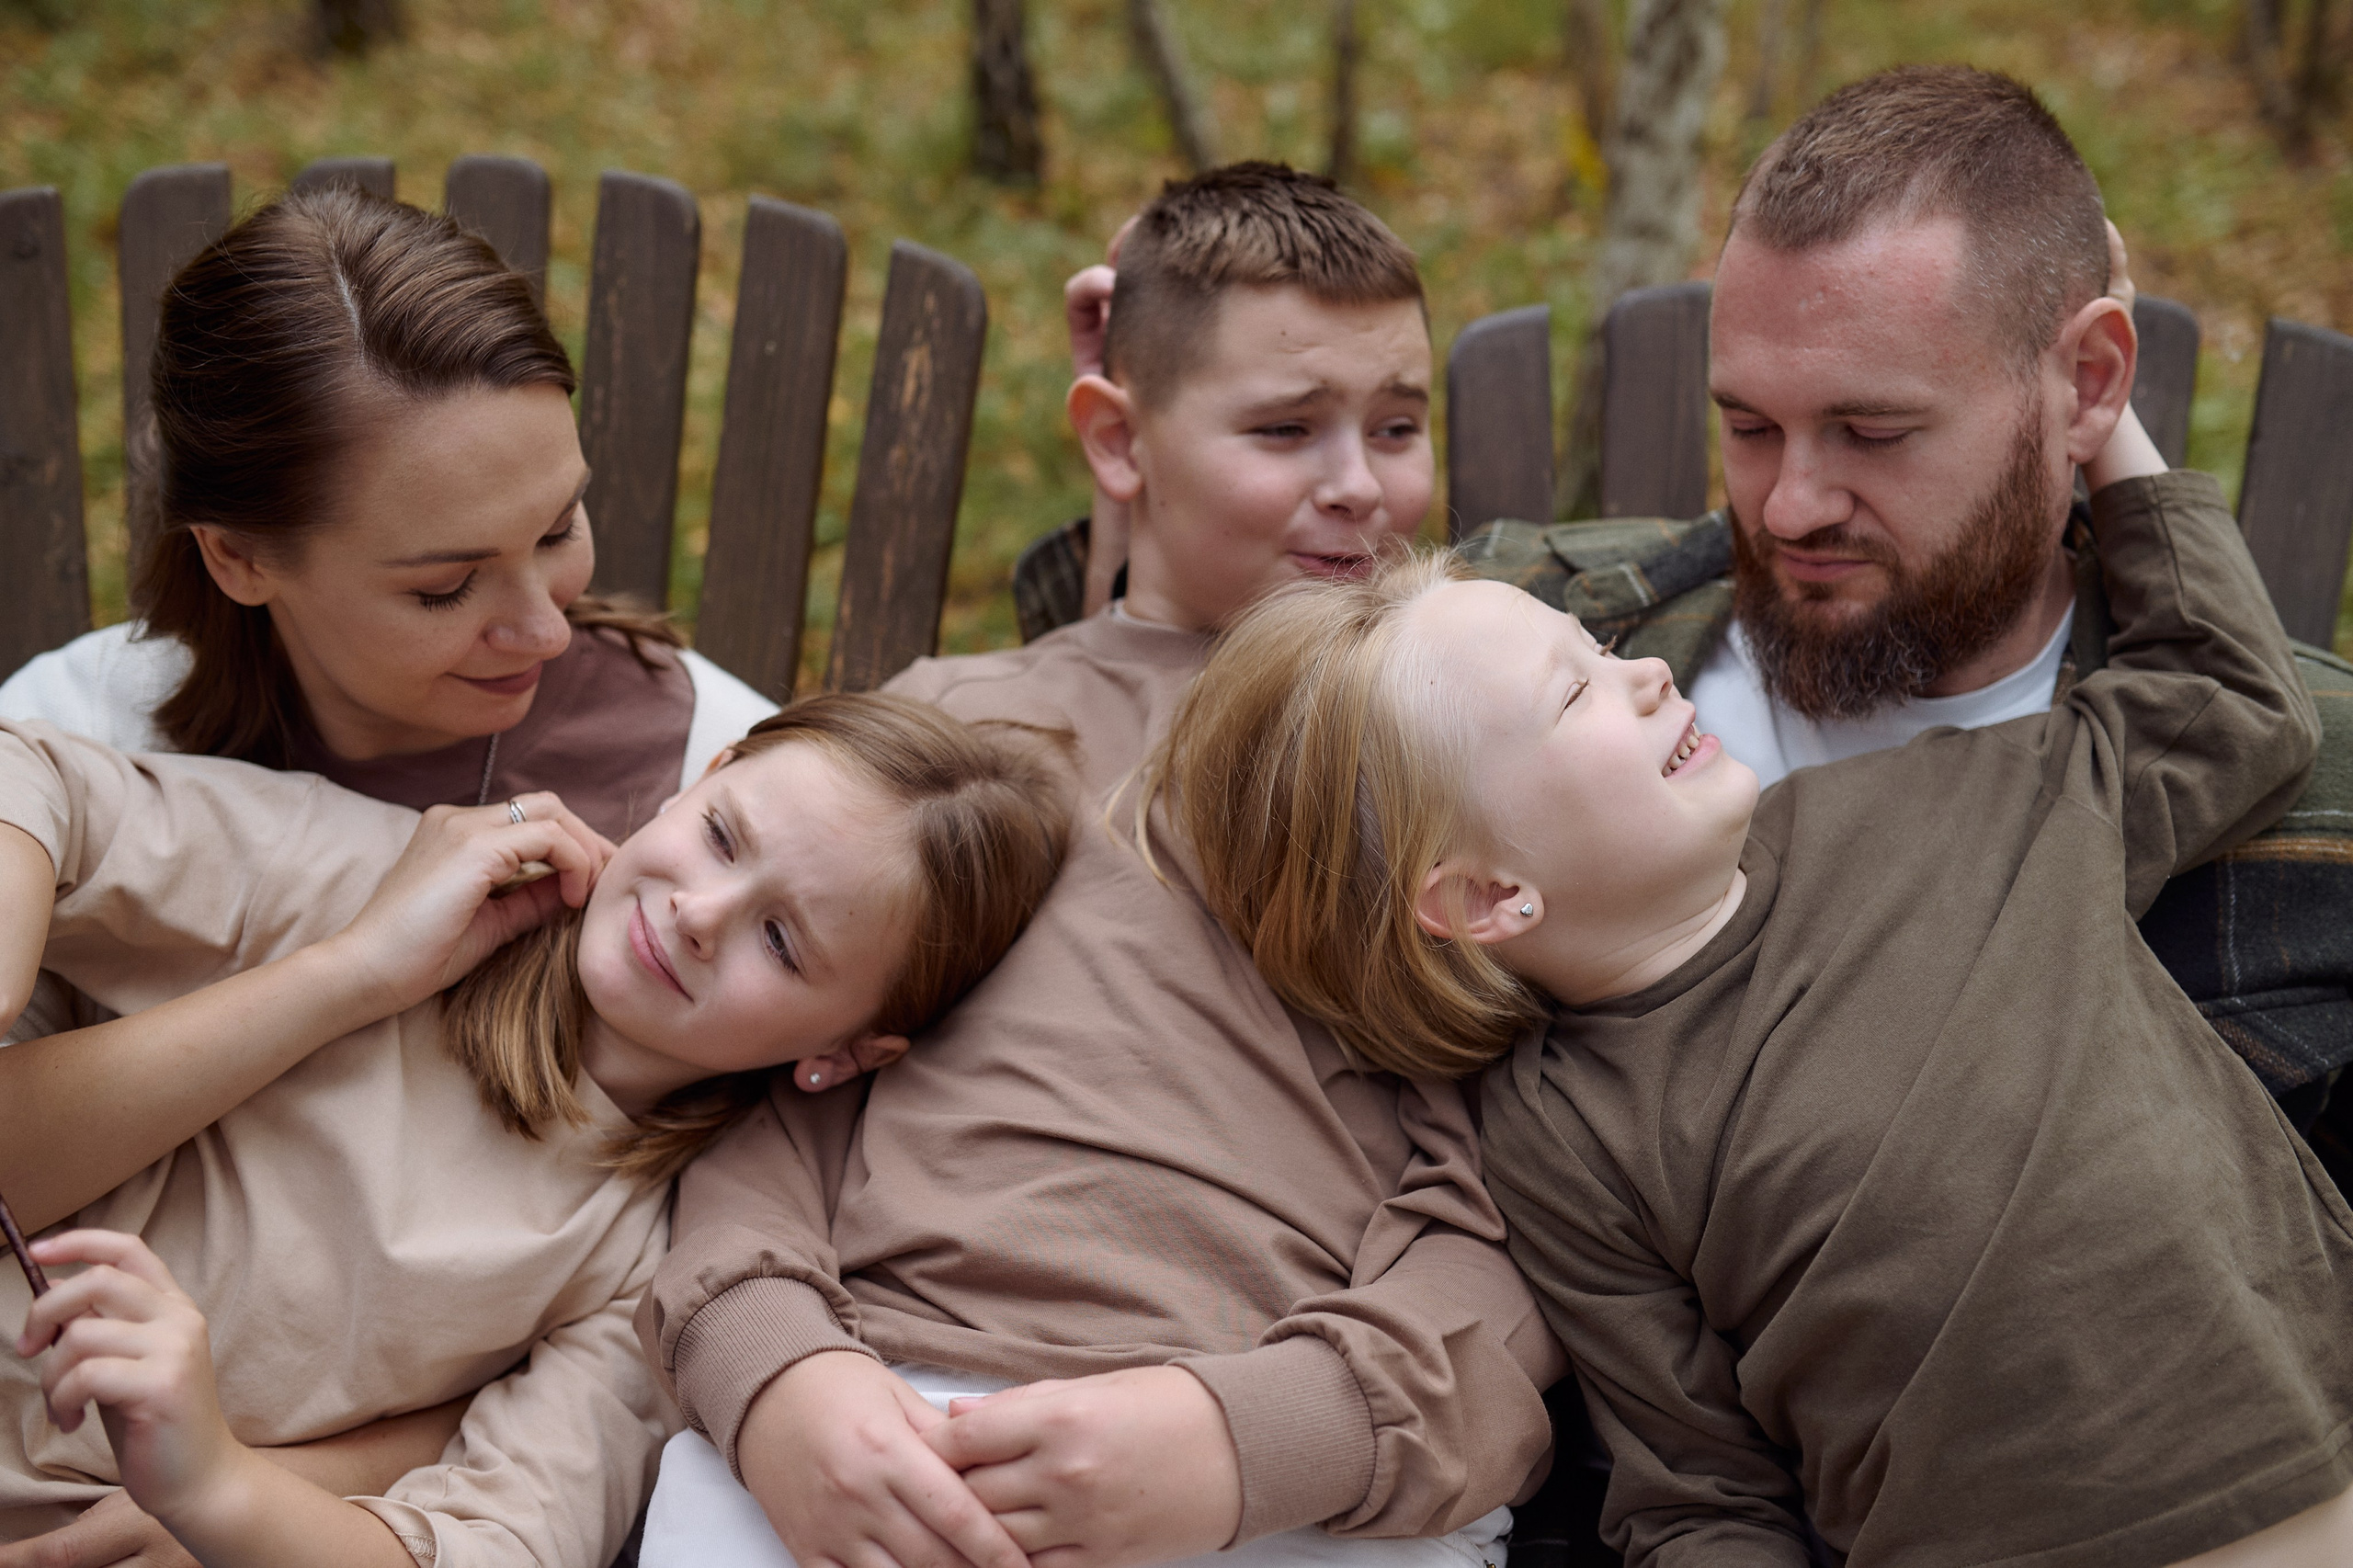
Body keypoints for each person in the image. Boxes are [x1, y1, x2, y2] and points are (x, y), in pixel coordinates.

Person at [1147, 383, 2353, 1562]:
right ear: (1484, 896)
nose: (1649, 673)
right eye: (1576, 691)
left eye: (1601, 646)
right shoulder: (1564, 1130)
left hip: (2317, 1456)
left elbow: (2233, 703)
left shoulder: (1953, 796)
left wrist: (2104, 418)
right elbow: (1699, 1491)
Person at [635, 163, 1564, 1568]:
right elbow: (767, 1106)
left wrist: (1256, 1434)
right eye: (1284, 428)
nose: (1360, 487)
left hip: (1286, 1462)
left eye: (1397, 425)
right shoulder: (961, 730)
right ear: (1119, 445)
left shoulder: (1467, 762)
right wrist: (775, 1374)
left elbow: (1532, 1217)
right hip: (882, 1411)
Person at [1456, 66, 2353, 1170]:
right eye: (1746, 426)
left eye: (1871, 433)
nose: (1788, 505)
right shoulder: (1515, 641)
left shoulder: (2303, 797)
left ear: (2088, 383)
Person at [0, 695, 1069, 1568]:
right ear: (701, 775)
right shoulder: (403, 875)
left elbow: (493, 1543)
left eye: (783, 940)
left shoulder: (639, 1265)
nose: (701, 912)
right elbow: (38, 778)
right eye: (721, 834)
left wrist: (216, 1487)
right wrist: (357, 969)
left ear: (846, 1048)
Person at [0, 185, 776, 845]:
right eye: (445, 585)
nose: (550, 634)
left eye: (558, 528)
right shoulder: (74, 741)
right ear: (237, 558)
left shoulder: (716, 779)